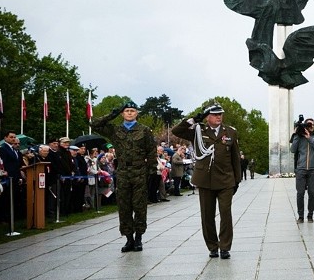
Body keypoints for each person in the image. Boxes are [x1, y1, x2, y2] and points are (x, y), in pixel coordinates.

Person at [173, 104, 242, 258]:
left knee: (225, 213)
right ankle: (212, 246)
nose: (218, 117)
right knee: (207, 215)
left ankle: (225, 246)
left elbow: (235, 157)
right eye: (214, 114)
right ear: (207, 116)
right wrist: (194, 119)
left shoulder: (230, 132)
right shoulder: (198, 130)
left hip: (225, 179)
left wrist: (237, 180)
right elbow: (176, 131)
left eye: (220, 114)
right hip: (205, 179)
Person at [92, 101, 157, 252]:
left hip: (139, 171)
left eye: (132, 111)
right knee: (124, 206)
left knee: (139, 206)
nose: (129, 113)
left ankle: (139, 237)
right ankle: (129, 238)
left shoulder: (144, 130)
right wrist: (111, 115)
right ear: (122, 113)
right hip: (122, 172)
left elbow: (151, 151)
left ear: (136, 113)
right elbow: (94, 124)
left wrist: (151, 171)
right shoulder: (116, 130)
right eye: (126, 111)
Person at [288, 116, 314, 223]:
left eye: (312, 124)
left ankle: (310, 215)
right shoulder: (299, 137)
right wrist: (296, 135)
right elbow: (292, 150)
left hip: (312, 169)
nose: (310, 126)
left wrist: (309, 138)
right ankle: (301, 216)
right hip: (301, 169)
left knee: (312, 193)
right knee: (300, 193)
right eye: (308, 125)